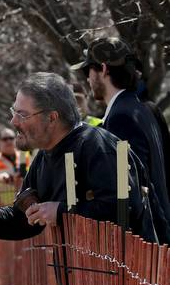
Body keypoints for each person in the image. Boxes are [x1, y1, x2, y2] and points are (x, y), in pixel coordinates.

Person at [0, 72, 169, 244]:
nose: (13, 122)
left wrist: (62, 212)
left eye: (22, 114)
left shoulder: (99, 147)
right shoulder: (44, 157)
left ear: (52, 118)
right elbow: (21, 220)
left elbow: (123, 208)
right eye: (14, 112)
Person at [71, 37, 170, 219]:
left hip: (142, 239)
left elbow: (128, 192)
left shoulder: (121, 118)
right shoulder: (148, 109)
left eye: (89, 70)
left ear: (104, 69)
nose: (87, 78)